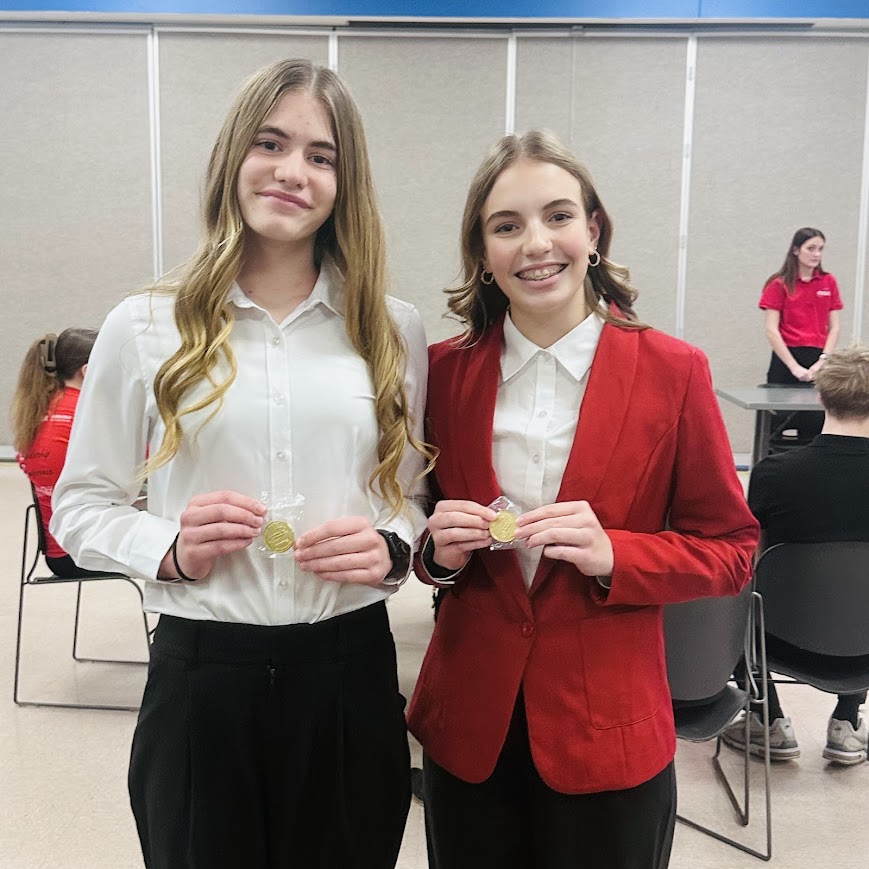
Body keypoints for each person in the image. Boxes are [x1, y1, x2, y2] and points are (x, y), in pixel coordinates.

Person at [52, 59, 432, 869]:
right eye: (271, 142)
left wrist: (392, 545)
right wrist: (169, 547)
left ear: (344, 180)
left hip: (347, 670)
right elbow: (79, 507)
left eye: (320, 155)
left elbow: (404, 496)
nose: (293, 171)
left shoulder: (391, 329)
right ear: (234, 157)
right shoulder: (144, 323)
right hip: (201, 676)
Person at [407, 130, 759, 869]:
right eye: (506, 226)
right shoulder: (439, 374)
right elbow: (412, 527)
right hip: (469, 725)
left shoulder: (673, 371)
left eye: (557, 216)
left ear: (592, 231)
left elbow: (729, 549)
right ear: (481, 252)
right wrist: (434, 553)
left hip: (609, 732)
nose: (535, 243)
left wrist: (615, 554)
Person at [723, 344, 869, 766]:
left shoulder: (774, 473)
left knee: (737, 595)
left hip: (777, 642)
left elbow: (745, 559)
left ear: (820, 396)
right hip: (865, 646)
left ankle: (768, 720)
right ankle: (846, 722)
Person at [12, 328, 100, 578]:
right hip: (84, 552)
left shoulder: (37, 411)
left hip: (57, 553)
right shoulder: (85, 414)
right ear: (88, 371)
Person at [759, 227, 842, 445]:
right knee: (777, 429)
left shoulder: (828, 282)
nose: (816, 254)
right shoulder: (779, 284)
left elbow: (834, 327)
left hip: (817, 360)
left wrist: (822, 361)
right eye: (811, 248)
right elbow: (771, 329)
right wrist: (794, 367)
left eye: (821, 249)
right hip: (786, 360)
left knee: (814, 427)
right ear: (796, 250)